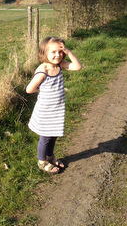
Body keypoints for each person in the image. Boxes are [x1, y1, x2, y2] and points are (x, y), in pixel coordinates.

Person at [26, 36, 82, 173]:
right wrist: (42, 90)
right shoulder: (43, 70)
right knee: (45, 137)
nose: (58, 55)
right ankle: (42, 161)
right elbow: (29, 89)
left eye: (60, 52)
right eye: (53, 52)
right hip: (46, 111)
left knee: (53, 135)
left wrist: (69, 52)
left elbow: (77, 67)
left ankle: (50, 157)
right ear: (44, 53)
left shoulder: (59, 65)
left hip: (57, 110)